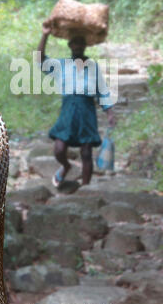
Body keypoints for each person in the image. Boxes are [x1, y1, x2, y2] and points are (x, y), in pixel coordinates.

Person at [37, 23, 116, 187]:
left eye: (81, 43)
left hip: (87, 110)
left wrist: (109, 112)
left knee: (86, 152)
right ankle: (66, 166)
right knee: (59, 148)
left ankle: (86, 188)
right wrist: (45, 35)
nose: (78, 46)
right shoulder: (61, 65)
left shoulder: (93, 67)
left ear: (85, 46)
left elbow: (102, 90)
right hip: (68, 109)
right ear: (70, 46)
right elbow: (40, 60)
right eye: (75, 43)